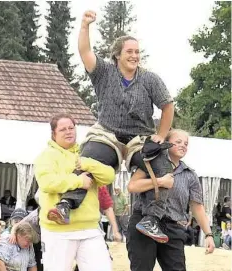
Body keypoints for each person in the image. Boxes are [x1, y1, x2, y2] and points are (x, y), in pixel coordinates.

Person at [48, 10, 174, 230]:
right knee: (89, 158)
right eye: (129, 51)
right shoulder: (104, 72)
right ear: (117, 55)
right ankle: (66, 205)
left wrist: (161, 136)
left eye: (137, 52)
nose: (135, 55)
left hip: (140, 137)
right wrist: (85, 25)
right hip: (107, 134)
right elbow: (85, 51)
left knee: (163, 167)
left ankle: (152, 219)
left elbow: (167, 105)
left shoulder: (149, 79)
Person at [35, 113, 115, 271]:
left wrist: (88, 164)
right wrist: (79, 181)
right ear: (54, 134)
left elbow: (109, 176)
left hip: (90, 227)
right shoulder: (47, 155)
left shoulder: (85, 154)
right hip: (58, 230)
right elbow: (47, 182)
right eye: (63, 129)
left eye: (71, 128)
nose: (68, 132)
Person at [127, 129, 215, 271]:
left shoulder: (190, 175)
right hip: (143, 222)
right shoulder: (150, 162)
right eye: (178, 142)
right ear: (166, 143)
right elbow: (132, 186)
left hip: (173, 228)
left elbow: (197, 207)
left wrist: (208, 234)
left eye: (186, 143)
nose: (183, 145)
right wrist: (160, 181)